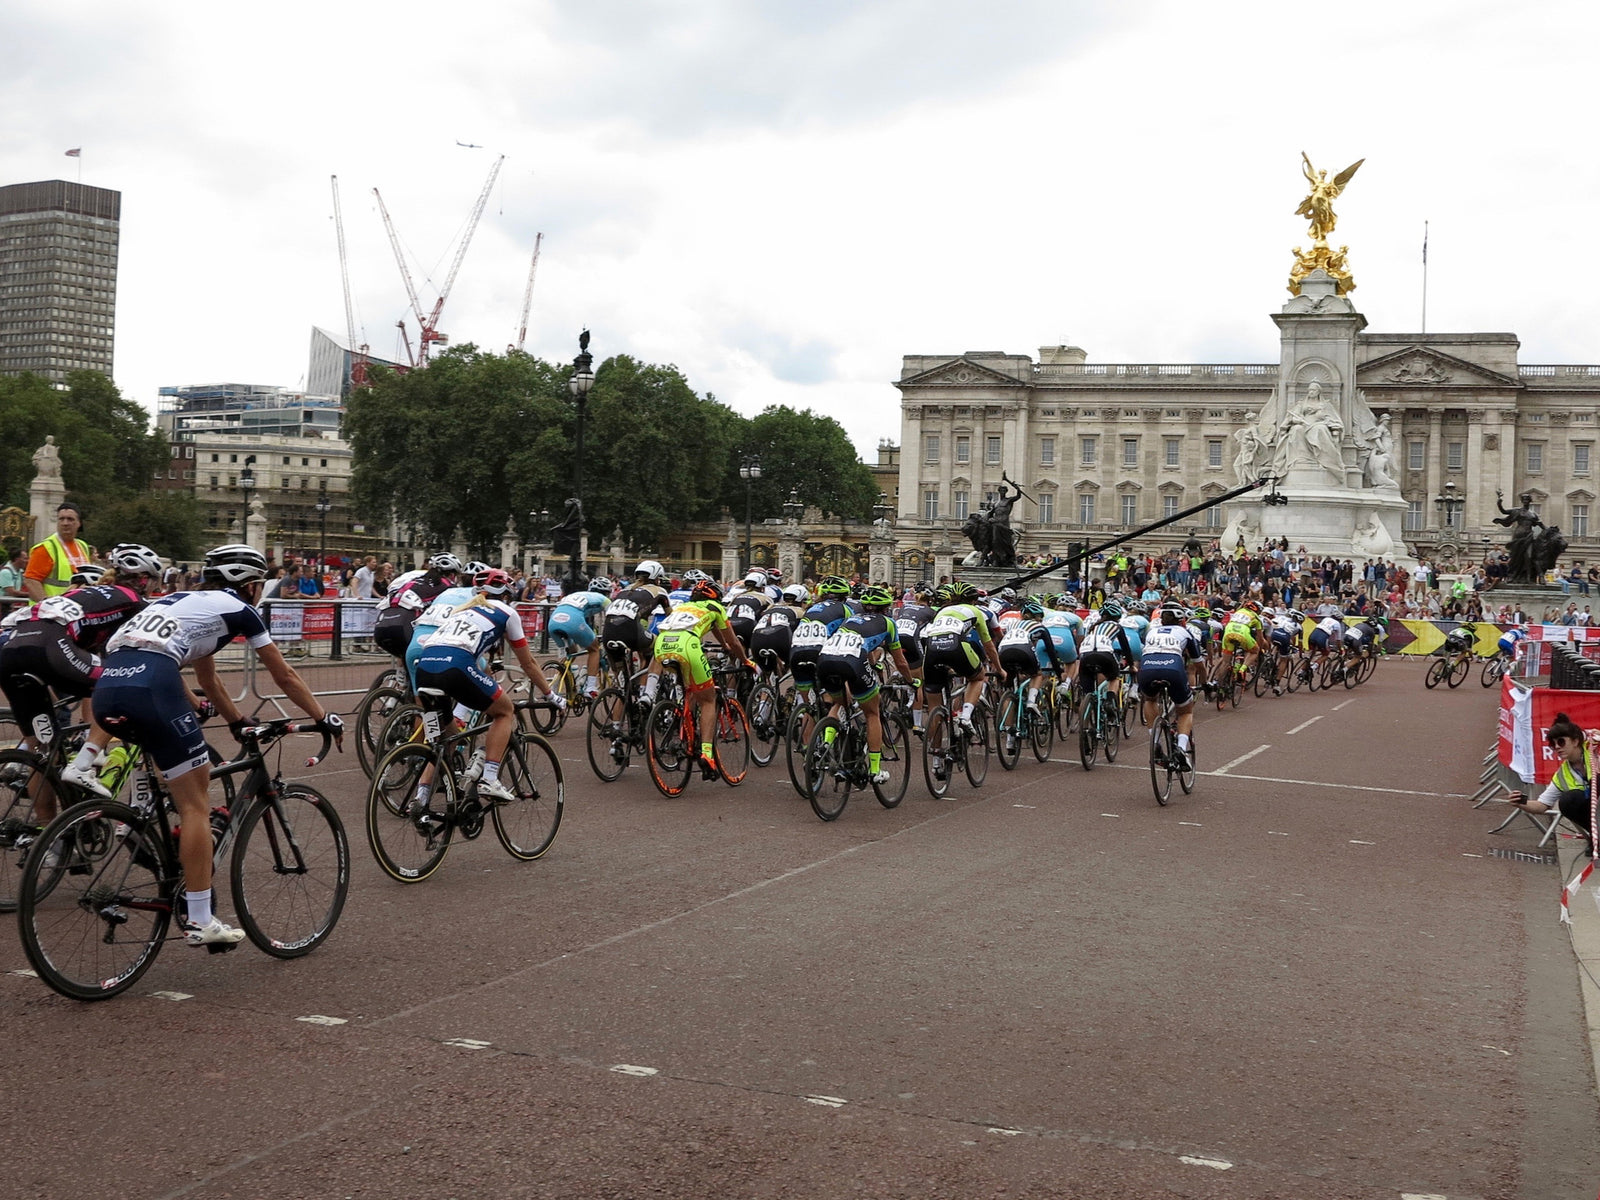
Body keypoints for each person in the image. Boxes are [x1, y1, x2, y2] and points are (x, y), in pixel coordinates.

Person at [93, 544, 343, 947]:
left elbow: (208, 679)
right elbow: (285, 675)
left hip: (108, 686)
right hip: (154, 684)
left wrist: (237, 722)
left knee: (175, 775)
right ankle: (200, 919)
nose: (259, 592)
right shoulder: (239, 609)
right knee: (196, 804)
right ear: (247, 584)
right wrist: (320, 717)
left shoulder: (180, 600)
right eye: (258, 585)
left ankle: (141, 832)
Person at [0, 543, 165, 815]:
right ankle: (83, 764)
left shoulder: (84, 592)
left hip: (11, 648)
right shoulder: (134, 600)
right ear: (144, 580)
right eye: (153, 582)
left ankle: (49, 843)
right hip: (48, 643)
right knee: (119, 685)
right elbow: (147, 651)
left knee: (43, 753)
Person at [409, 567, 562, 805]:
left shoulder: (463, 609)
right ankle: (490, 778)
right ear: (507, 592)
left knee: (444, 741)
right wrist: (550, 694)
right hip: (455, 666)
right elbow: (529, 663)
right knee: (504, 711)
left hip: (425, 670)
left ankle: (420, 800)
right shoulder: (506, 611)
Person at [641, 578, 757, 773]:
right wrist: (746, 661)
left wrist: (724, 646)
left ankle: (651, 696)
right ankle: (707, 754)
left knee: (690, 690)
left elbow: (715, 631)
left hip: (662, 644)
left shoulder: (684, 607)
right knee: (709, 700)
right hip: (688, 645)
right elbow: (734, 642)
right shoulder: (715, 608)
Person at [815, 583, 916, 785]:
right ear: (886, 608)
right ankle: (876, 770)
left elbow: (866, 646)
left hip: (825, 658)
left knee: (838, 703)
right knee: (872, 712)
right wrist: (910, 681)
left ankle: (825, 744)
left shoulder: (850, 618)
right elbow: (900, 661)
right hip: (852, 661)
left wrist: (871, 665)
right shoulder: (888, 623)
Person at [919, 582, 1004, 750]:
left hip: (931, 650)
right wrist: (999, 669)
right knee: (978, 677)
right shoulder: (976, 611)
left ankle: (936, 759)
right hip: (956, 645)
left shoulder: (942, 611)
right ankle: (965, 716)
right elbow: (989, 646)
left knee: (934, 707)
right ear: (973, 600)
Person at [1508, 714, 1596, 846]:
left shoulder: (1595, 750)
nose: (1557, 747)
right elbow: (1542, 805)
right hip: (1594, 810)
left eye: (1561, 742)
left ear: (1575, 741)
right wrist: (1520, 802)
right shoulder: (1562, 775)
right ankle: (1596, 836)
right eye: (1553, 745)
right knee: (1568, 801)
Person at [1138, 604, 1204, 769]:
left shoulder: (1151, 631)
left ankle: (1154, 740)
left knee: (1150, 699)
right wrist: (1205, 684)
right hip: (1173, 668)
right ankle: (1181, 748)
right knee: (1186, 710)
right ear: (1182, 620)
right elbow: (1198, 664)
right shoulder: (1185, 632)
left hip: (1147, 668)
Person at [372, 553, 463, 665]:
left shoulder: (414, 580)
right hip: (404, 628)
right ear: (452, 574)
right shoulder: (448, 587)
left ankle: (400, 677)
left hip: (381, 626)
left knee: (404, 655)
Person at [996, 596, 1064, 719]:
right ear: (1037, 617)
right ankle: (1031, 702)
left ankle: (1009, 733)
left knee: (1011, 691)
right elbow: (1051, 652)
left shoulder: (1013, 624)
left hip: (1003, 651)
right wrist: (1058, 672)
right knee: (1037, 674)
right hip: (1023, 650)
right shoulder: (1040, 627)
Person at [548, 577, 612, 699]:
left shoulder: (577, 594)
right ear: (607, 593)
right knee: (594, 649)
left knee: (570, 653)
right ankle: (590, 688)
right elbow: (612, 619)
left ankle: (554, 686)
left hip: (554, 620)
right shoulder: (604, 600)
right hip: (573, 620)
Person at [24, 502, 94, 601]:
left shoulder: (83, 546)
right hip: (54, 612)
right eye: (61, 519)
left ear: (79, 523)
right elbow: (31, 581)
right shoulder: (45, 548)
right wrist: (47, 604)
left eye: (70, 519)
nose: (65, 523)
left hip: (77, 608)